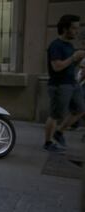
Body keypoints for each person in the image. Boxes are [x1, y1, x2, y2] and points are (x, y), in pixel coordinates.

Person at [43, 15, 85, 152]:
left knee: (80, 109)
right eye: (74, 28)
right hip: (59, 85)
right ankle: (48, 143)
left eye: (77, 28)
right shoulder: (55, 45)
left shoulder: (69, 45)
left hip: (72, 83)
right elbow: (57, 66)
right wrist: (73, 57)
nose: (76, 31)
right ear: (65, 28)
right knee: (55, 115)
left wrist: (78, 60)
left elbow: (70, 65)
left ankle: (59, 132)